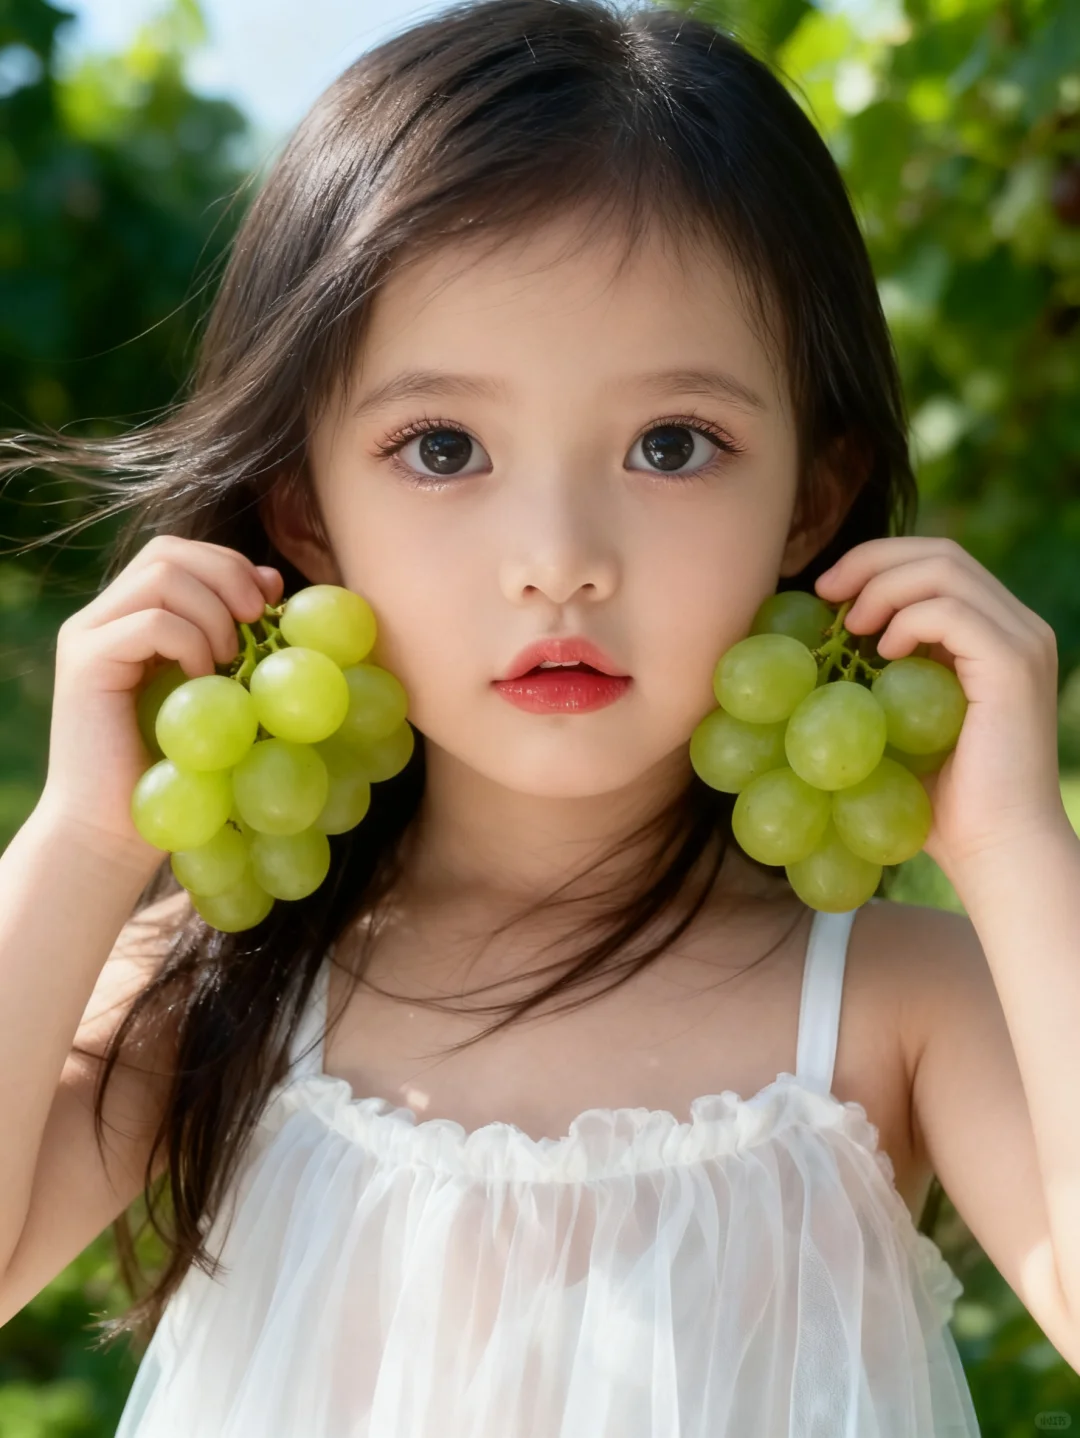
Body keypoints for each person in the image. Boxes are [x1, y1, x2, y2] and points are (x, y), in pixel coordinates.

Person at [0, 0, 1077, 1430]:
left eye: (671, 444)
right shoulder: (216, 986)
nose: (560, 553)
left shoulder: (893, 1002)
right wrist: (82, 835)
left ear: (811, 501)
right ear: (306, 514)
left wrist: (1012, 833)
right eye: (443, 447)